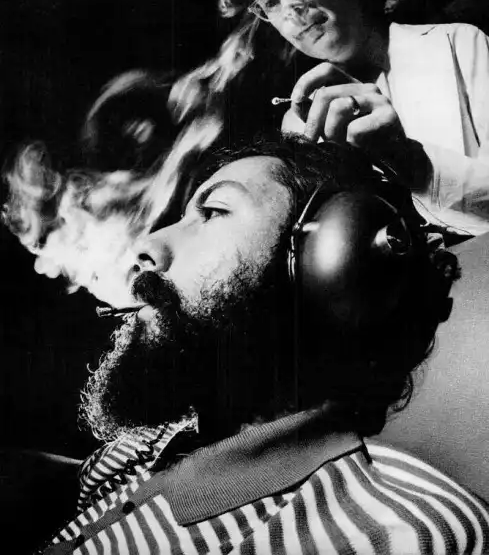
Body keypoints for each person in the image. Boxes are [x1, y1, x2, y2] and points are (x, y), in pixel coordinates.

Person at [37, 136, 489, 554]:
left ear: (334, 258)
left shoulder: (390, 534)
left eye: (214, 212)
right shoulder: (143, 447)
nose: (148, 245)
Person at [212, 0, 489, 240]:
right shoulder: (298, 124)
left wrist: (410, 160)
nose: (290, 11)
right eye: (271, 3)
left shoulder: (458, 43)